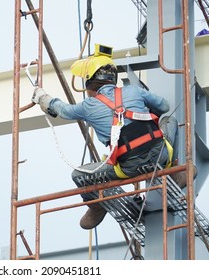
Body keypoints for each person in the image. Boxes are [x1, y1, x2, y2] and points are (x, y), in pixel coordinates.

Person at [31, 44, 186, 230]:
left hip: (127, 168)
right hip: (161, 155)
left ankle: (97, 206)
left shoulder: (88, 105)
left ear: (91, 82)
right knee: (170, 120)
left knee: (79, 175)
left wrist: (43, 98)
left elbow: (63, 110)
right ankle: (175, 170)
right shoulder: (133, 91)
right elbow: (164, 107)